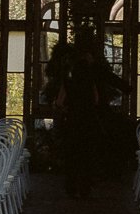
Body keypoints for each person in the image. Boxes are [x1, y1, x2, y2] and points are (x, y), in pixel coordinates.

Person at [40, 23, 123, 198]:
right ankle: (84, 188)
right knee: (86, 155)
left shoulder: (68, 79)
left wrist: (62, 108)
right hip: (88, 121)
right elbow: (96, 99)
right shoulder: (90, 78)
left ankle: (71, 188)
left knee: (72, 155)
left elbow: (60, 100)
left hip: (72, 121)